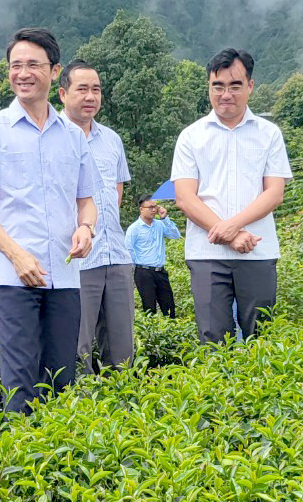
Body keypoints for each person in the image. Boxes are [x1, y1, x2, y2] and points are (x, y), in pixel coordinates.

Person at [0, 27, 96, 413]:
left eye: (33, 64)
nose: (23, 73)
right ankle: (18, 464)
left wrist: (86, 228)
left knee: (62, 378)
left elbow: (87, 200)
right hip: (14, 276)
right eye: (16, 65)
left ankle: (57, 465)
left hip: (64, 275)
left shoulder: (72, 135)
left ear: (54, 72)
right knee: (20, 378)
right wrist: (16, 255)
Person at [171, 48, 292, 343]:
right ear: (209, 87)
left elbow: (274, 193)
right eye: (218, 86)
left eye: (235, 85)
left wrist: (231, 226)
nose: (226, 93)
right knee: (212, 339)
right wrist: (231, 235)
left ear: (250, 86)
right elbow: (185, 198)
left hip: (258, 252)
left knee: (262, 339)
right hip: (206, 255)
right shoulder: (191, 136)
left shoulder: (269, 134)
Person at [57, 60, 135, 372]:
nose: (90, 96)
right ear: (63, 93)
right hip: (77, 261)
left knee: (122, 350)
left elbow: (116, 191)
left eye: (96, 89)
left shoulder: (112, 139)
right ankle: (81, 414)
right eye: (82, 89)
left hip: (115, 254)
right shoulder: (53, 137)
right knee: (77, 350)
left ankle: (122, 411)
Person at [125, 195, 181, 317]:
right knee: (149, 308)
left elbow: (175, 235)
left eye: (155, 206)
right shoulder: (134, 228)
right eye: (150, 207)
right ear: (141, 209)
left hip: (160, 271)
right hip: (144, 272)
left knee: (169, 307)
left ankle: (170, 332)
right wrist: (138, 265)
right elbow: (128, 249)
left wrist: (165, 218)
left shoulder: (160, 225)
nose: (154, 210)